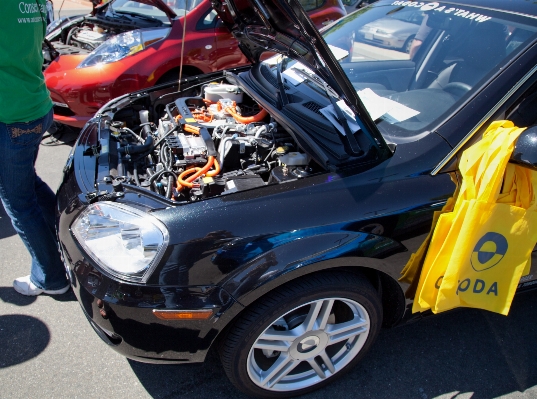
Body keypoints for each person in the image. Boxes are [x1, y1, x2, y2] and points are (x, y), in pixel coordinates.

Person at [0, 0, 69, 296]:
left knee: (17, 200)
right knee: (27, 183)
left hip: (13, 114)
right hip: (36, 105)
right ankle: (68, 237)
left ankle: (50, 278)